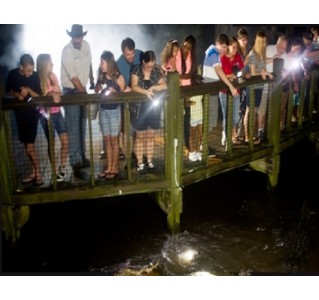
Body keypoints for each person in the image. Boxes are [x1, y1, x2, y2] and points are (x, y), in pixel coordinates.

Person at [60, 24, 94, 175]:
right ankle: (75, 162)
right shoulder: (67, 51)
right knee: (73, 127)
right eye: (74, 36)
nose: (76, 39)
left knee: (82, 126)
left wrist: (92, 80)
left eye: (78, 36)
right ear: (71, 36)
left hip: (82, 90)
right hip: (71, 92)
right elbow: (73, 78)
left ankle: (82, 156)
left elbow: (89, 64)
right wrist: (84, 95)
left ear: (82, 36)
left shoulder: (86, 46)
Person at [6, 54, 43, 185]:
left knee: (30, 147)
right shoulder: (13, 74)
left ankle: (38, 174)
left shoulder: (35, 75)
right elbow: (8, 91)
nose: (29, 74)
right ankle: (34, 172)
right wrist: (16, 94)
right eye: (27, 71)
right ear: (21, 67)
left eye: (31, 71)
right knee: (27, 145)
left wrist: (28, 90)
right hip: (20, 114)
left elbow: (38, 95)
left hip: (33, 114)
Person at [131, 50, 167, 173]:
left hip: (153, 108)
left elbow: (164, 85)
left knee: (151, 135)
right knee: (140, 136)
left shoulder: (156, 71)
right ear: (143, 62)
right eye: (148, 66)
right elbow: (134, 86)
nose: (150, 68)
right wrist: (145, 91)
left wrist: (154, 87)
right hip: (139, 109)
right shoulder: (136, 69)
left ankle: (150, 161)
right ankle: (140, 162)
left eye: (152, 65)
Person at [36, 53, 69, 182]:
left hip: (57, 113)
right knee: (52, 142)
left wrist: (53, 91)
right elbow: (41, 96)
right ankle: (55, 171)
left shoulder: (53, 76)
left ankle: (62, 167)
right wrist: (51, 93)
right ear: (44, 64)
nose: (52, 64)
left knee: (65, 141)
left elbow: (59, 91)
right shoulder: (37, 79)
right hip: (46, 115)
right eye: (50, 62)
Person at [203, 33, 239, 149]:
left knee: (211, 120)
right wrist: (231, 86)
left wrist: (228, 77)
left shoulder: (214, 52)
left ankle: (204, 145)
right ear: (217, 44)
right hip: (209, 91)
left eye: (226, 47)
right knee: (209, 120)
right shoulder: (213, 53)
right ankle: (203, 146)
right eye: (223, 47)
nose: (225, 50)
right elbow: (218, 70)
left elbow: (217, 73)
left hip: (212, 90)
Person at [95, 51, 126, 180]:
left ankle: (115, 167)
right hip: (103, 110)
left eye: (102, 62)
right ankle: (109, 167)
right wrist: (98, 88)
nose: (100, 64)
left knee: (114, 140)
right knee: (106, 140)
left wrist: (116, 92)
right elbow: (96, 89)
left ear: (109, 62)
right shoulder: (101, 76)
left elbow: (124, 95)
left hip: (114, 111)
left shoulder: (119, 77)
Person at [117, 38, 143, 160]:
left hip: (140, 100)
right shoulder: (119, 64)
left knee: (138, 129)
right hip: (126, 103)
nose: (131, 56)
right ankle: (127, 154)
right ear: (123, 53)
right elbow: (119, 85)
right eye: (128, 54)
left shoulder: (140, 54)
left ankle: (135, 153)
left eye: (133, 53)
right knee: (126, 129)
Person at [175, 35, 200, 160]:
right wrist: (179, 77)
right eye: (185, 46)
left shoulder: (192, 57)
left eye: (189, 48)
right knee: (177, 121)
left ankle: (188, 147)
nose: (186, 49)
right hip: (176, 92)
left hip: (187, 92)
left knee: (187, 121)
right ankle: (177, 148)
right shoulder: (176, 53)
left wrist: (180, 77)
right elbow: (171, 70)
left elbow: (190, 73)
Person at [220, 37, 244, 146]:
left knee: (235, 115)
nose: (235, 49)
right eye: (233, 46)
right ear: (228, 46)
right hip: (225, 91)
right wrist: (231, 75)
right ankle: (226, 136)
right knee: (226, 115)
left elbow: (241, 70)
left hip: (236, 90)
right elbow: (222, 74)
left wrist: (242, 74)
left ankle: (233, 134)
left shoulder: (238, 57)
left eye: (236, 47)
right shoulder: (223, 58)